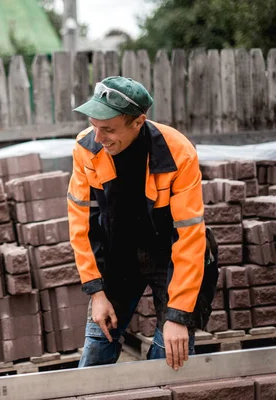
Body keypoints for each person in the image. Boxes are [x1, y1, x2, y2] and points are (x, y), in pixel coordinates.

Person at [67, 76, 218, 371]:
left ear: (138, 122)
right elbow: (82, 225)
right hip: (119, 255)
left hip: (170, 258)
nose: (98, 137)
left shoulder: (178, 153)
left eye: (109, 129)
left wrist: (177, 315)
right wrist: (96, 293)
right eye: (94, 125)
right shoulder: (86, 148)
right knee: (97, 346)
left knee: (169, 356)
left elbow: (190, 237)